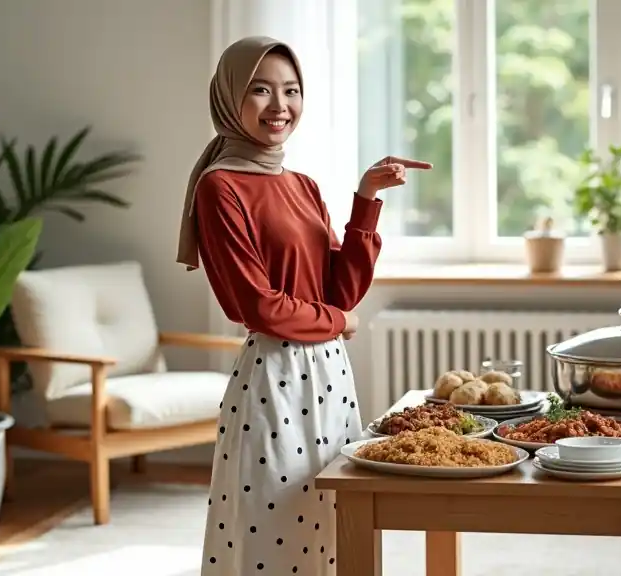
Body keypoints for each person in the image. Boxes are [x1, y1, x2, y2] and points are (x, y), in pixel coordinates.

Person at [175, 36, 432, 575]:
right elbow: (257, 306)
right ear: (229, 98)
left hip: (331, 374)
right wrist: (341, 323)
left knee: (333, 516)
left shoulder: (304, 185)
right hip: (274, 377)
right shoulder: (219, 187)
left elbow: (339, 292)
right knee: (275, 529)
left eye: (290, 91)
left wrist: (365, 199)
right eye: (261, 90)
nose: (280, 106)